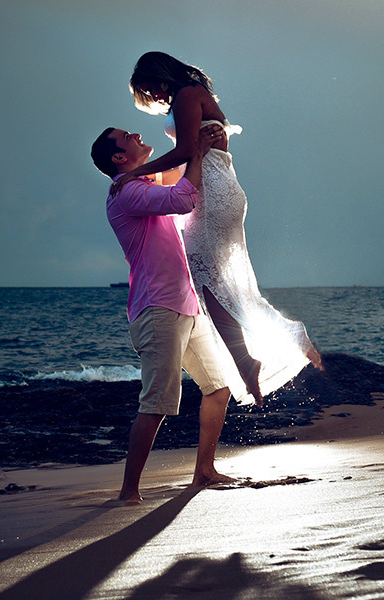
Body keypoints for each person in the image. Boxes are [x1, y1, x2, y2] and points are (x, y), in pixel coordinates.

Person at [111, 51, 322, 407]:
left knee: (210, 283)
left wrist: (133, 174)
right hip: (213, 189)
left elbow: (185, 151)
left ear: (161, 76)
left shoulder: (188, 95)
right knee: (216, 284)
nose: (156, 99)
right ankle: (252, 358)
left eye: (151, 89)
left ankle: (274, 344)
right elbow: (192, 152)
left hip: (212, 192)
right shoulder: (189, 97)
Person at [92, 122, 235, 503]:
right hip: (157, 309)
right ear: (120, 158)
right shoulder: (126, 191)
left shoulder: (145, 181)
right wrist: (197, 152)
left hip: (186, 305)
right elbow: (184, 198)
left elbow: (185, 167)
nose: (136, 135)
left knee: (219, 388)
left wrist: (206, 143)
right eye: (127, 138)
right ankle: (128, 491)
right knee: (156, 404)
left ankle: (204, 471)